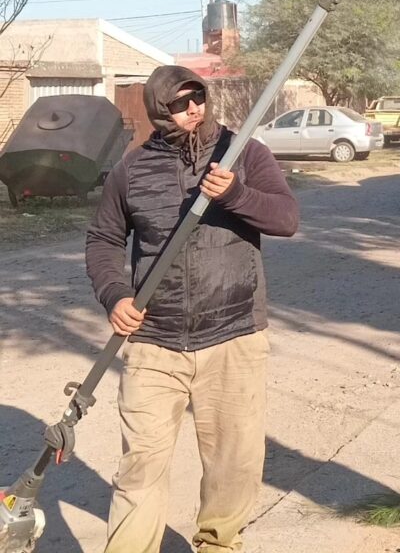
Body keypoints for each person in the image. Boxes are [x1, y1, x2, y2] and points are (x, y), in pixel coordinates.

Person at [86, 66, 299, 553]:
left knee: (233, 465)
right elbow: (103, 239)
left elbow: (287, 218)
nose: (193, 109)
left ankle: (218, 544)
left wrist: (236, 194)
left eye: (197, 98)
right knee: (140, 466)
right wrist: (115, 294)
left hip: (233, 337)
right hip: (154, 344)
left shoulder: (242, 152)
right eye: (180, 103)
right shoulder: (132, 169)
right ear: (160, 111)